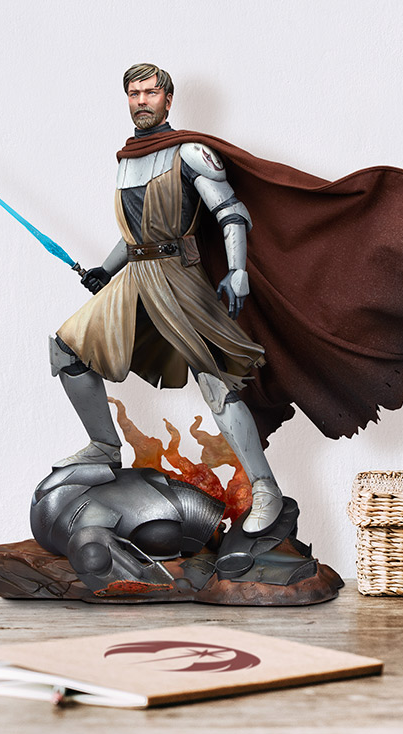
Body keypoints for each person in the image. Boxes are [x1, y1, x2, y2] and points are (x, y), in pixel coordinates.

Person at [49, 63, 286, 534]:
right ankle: (105, 447)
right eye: (133, 93)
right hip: (136, 278)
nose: (141, 101)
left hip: (179, 277)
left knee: (215, 381)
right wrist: (106, 270)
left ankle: (265, 487)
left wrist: (238, 270)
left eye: (150, 93)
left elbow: (231, 212)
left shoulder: (191, 152)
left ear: (168, 99)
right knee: (67, 350)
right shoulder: (128, 160)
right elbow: (136, 235)